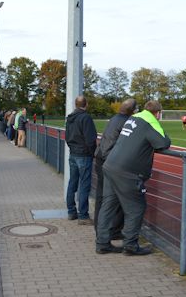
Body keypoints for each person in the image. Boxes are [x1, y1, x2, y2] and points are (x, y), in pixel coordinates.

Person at [95, 100, 171, 255]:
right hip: (127, 172)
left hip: (110, 166)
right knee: (136, 208)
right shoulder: (149, 121)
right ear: (158, 113)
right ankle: (130, 245)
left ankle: (102, 243)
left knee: (108, 206)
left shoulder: (134, 118)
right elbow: (163, 143)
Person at [93, 98, 137, 238]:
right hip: (110, 161)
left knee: (102, 197)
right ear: (132, 111)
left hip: (101, 158)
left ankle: (101, 230)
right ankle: (112, 231)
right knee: (115, 198)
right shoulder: (127, 122)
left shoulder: (113, 119)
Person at [65, 96, 98, 225]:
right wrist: (92, 153)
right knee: (84, 185)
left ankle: (71, 211)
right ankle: (83, 215)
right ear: (86, 104)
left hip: (73, 153)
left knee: (72, 183)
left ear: (75, 104)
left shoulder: (70, 118)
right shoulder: (86, 118)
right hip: (83, 155)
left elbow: (67, 137)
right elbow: (90, 140)